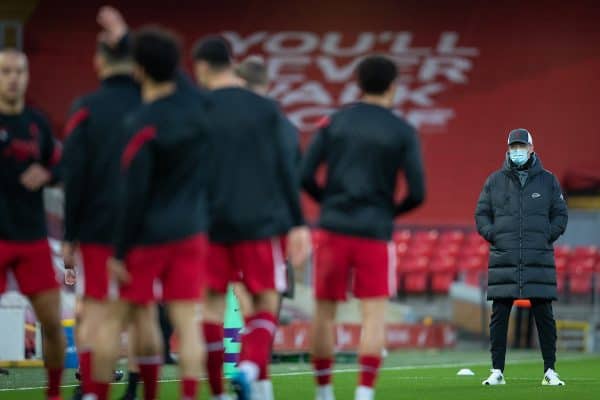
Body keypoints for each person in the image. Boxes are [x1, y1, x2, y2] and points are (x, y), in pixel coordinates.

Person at [88, 27, 212, 400]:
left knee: (115, 321)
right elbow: (187, 86)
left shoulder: (141, 123)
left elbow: (133, 193)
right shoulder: (196, 112)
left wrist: (120, 252)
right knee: (187, 325)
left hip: (148, 238)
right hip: (191, 232)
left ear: (139, 70)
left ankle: (95, 394)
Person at [300, 55, 426, 400]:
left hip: (333, 227)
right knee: (373, 315)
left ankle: (324, 393)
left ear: (358, 83)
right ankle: (363, 394)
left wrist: (329, 203)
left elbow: (303, 174)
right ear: (393, 87)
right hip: (374, 231)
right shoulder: (402, 130)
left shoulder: (334, 123)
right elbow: (418, 192)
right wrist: (389, 211)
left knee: (324, 312)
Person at [193, 36, 311, 400]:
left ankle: (217, 392)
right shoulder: (268, 112)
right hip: (260, 223)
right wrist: (297, 223)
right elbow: (287, 174)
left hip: (209, 223)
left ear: (201, 67)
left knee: (211, 307)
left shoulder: (197, 108)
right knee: (265, 301)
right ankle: (250, 370)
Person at [61, 7, 139, 399]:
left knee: (95, 310)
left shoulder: (86, 109)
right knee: (143, 314)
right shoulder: (150, 103)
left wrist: (69, 235)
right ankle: (141, 388)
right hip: (148, 229)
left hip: (99, 227)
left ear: (97, 61)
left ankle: (93, 391)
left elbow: (73, 176)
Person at [475, 128, 568, 386]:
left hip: (538, 257)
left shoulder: (548, 181)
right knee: (500, 315)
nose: (517, 151)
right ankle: (497, 371)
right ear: (508, 150)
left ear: (531, 149)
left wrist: (547, 235)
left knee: (544, 315)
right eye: (513, 147)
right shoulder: (494, 181)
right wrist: (493, 234)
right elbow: (481, 213)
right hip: (505, 257)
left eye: (521, 147)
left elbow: (561, 214)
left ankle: (550, 370)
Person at [0, 48, 66, 400]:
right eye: (6, 71)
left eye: (19, 71)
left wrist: (50, 173)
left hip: (31, 238)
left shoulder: (38, 123)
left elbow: (62, 163)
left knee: (52, 324)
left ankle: (53, 393)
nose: (13, 78)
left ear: (27, 76)